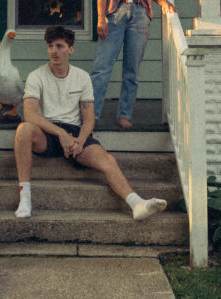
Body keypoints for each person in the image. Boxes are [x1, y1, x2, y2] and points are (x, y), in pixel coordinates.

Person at [13, 24, 168, 221]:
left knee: (107, 160)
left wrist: (79, 140)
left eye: (59, 46)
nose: (54, 51)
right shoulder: (37, 76)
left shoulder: (82, 77)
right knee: (24, 130)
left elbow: (89, 118)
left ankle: (136, 204)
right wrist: (60, 134)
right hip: (48, 132)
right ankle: (25, 199)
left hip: (76, 133)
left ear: (71, 49)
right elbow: (31, 115)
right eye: (50, 46)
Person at [91, 0, 177, 129]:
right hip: (116, 14)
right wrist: (101, 17)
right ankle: (91, 115)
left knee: (132, 70)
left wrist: (164, 2)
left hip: (140, 15)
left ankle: (124, 114)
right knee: (102, 68)